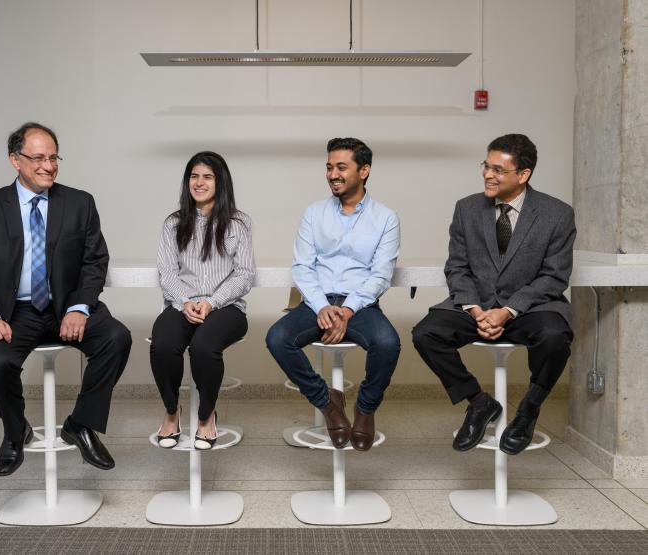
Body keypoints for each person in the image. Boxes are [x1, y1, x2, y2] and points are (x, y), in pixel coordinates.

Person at [0, 122, 132, 476]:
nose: (48, 166)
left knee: (116, 337)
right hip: (12, 312)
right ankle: (14, 428)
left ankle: (81, 424)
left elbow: (95, 261)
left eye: (53, 157)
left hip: (66, 306)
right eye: (37, 158)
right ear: (14, 160)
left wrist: (79, 308)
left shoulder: (79, 203)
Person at [412, 133, 576, 455]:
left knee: (556, 336)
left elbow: (554, 277)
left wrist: (509, 310)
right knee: (426, 334)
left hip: (529, 309)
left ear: (523, 174)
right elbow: (457, 268)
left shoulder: (557, 214)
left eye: (498, 170)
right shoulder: (466, 209)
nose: (488, 174)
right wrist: (476, 310)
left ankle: (529, 410)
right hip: (476, 306)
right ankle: (478, 402)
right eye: (486, 166)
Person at [266, 138, 401, 451]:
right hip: (317, 301)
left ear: (364, 170)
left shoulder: (385, 218)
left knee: (388, 343)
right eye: (329, 167)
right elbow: (302, 268)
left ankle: (365, 410)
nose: (332, 174)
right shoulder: (314, 213)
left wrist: (348, 310)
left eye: (342, 167)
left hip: (361, 305)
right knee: (277, 338)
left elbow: (380, 275)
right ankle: (328, 403)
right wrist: (323, 307)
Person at [150, 151, 255, 450]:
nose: (199, 182)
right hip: (181, 304)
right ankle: (172, 412)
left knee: (204, 347)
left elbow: (244, 275)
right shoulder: (173, 224)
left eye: (207, 177)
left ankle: (207, 416)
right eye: (194, 176)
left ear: (220, 183)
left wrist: (212, 302)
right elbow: (167, 272)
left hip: (226, 307)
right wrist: (185, 302)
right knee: (163, 344)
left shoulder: (239, 223)